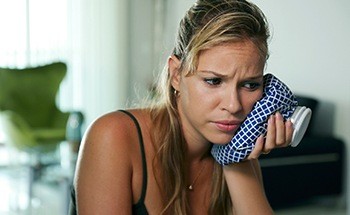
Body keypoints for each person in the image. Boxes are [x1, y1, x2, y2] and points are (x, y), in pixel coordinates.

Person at [69, 0, 294, 214]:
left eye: (250, 85)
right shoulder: (113, 137)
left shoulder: (238, 152)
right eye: (214, 81)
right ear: (176, 74)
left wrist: (236, 161)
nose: (234, 105)